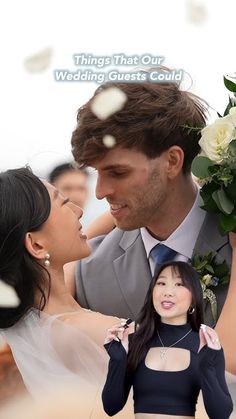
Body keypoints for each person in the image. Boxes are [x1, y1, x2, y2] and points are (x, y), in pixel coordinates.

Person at [70, 81, 231, 328]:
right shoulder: (89, 274)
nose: (100, 192)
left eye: (118, 172)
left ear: (172, 161)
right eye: (97, 172)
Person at [0, 167, 134, 418]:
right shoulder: (98, 333)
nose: (79, 210)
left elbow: (83, 237)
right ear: (36, 244)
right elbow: (221, 362)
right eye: (63, 203)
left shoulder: (30, 323)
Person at [102, 261, 233, 419]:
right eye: (162, 283)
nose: (168, 292)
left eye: (179, 284)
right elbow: (111, 407)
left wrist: (207, 367)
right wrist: (118, 360)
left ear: (194, 298)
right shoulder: (133, 342)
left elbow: (221, 414)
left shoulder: (205, 345)